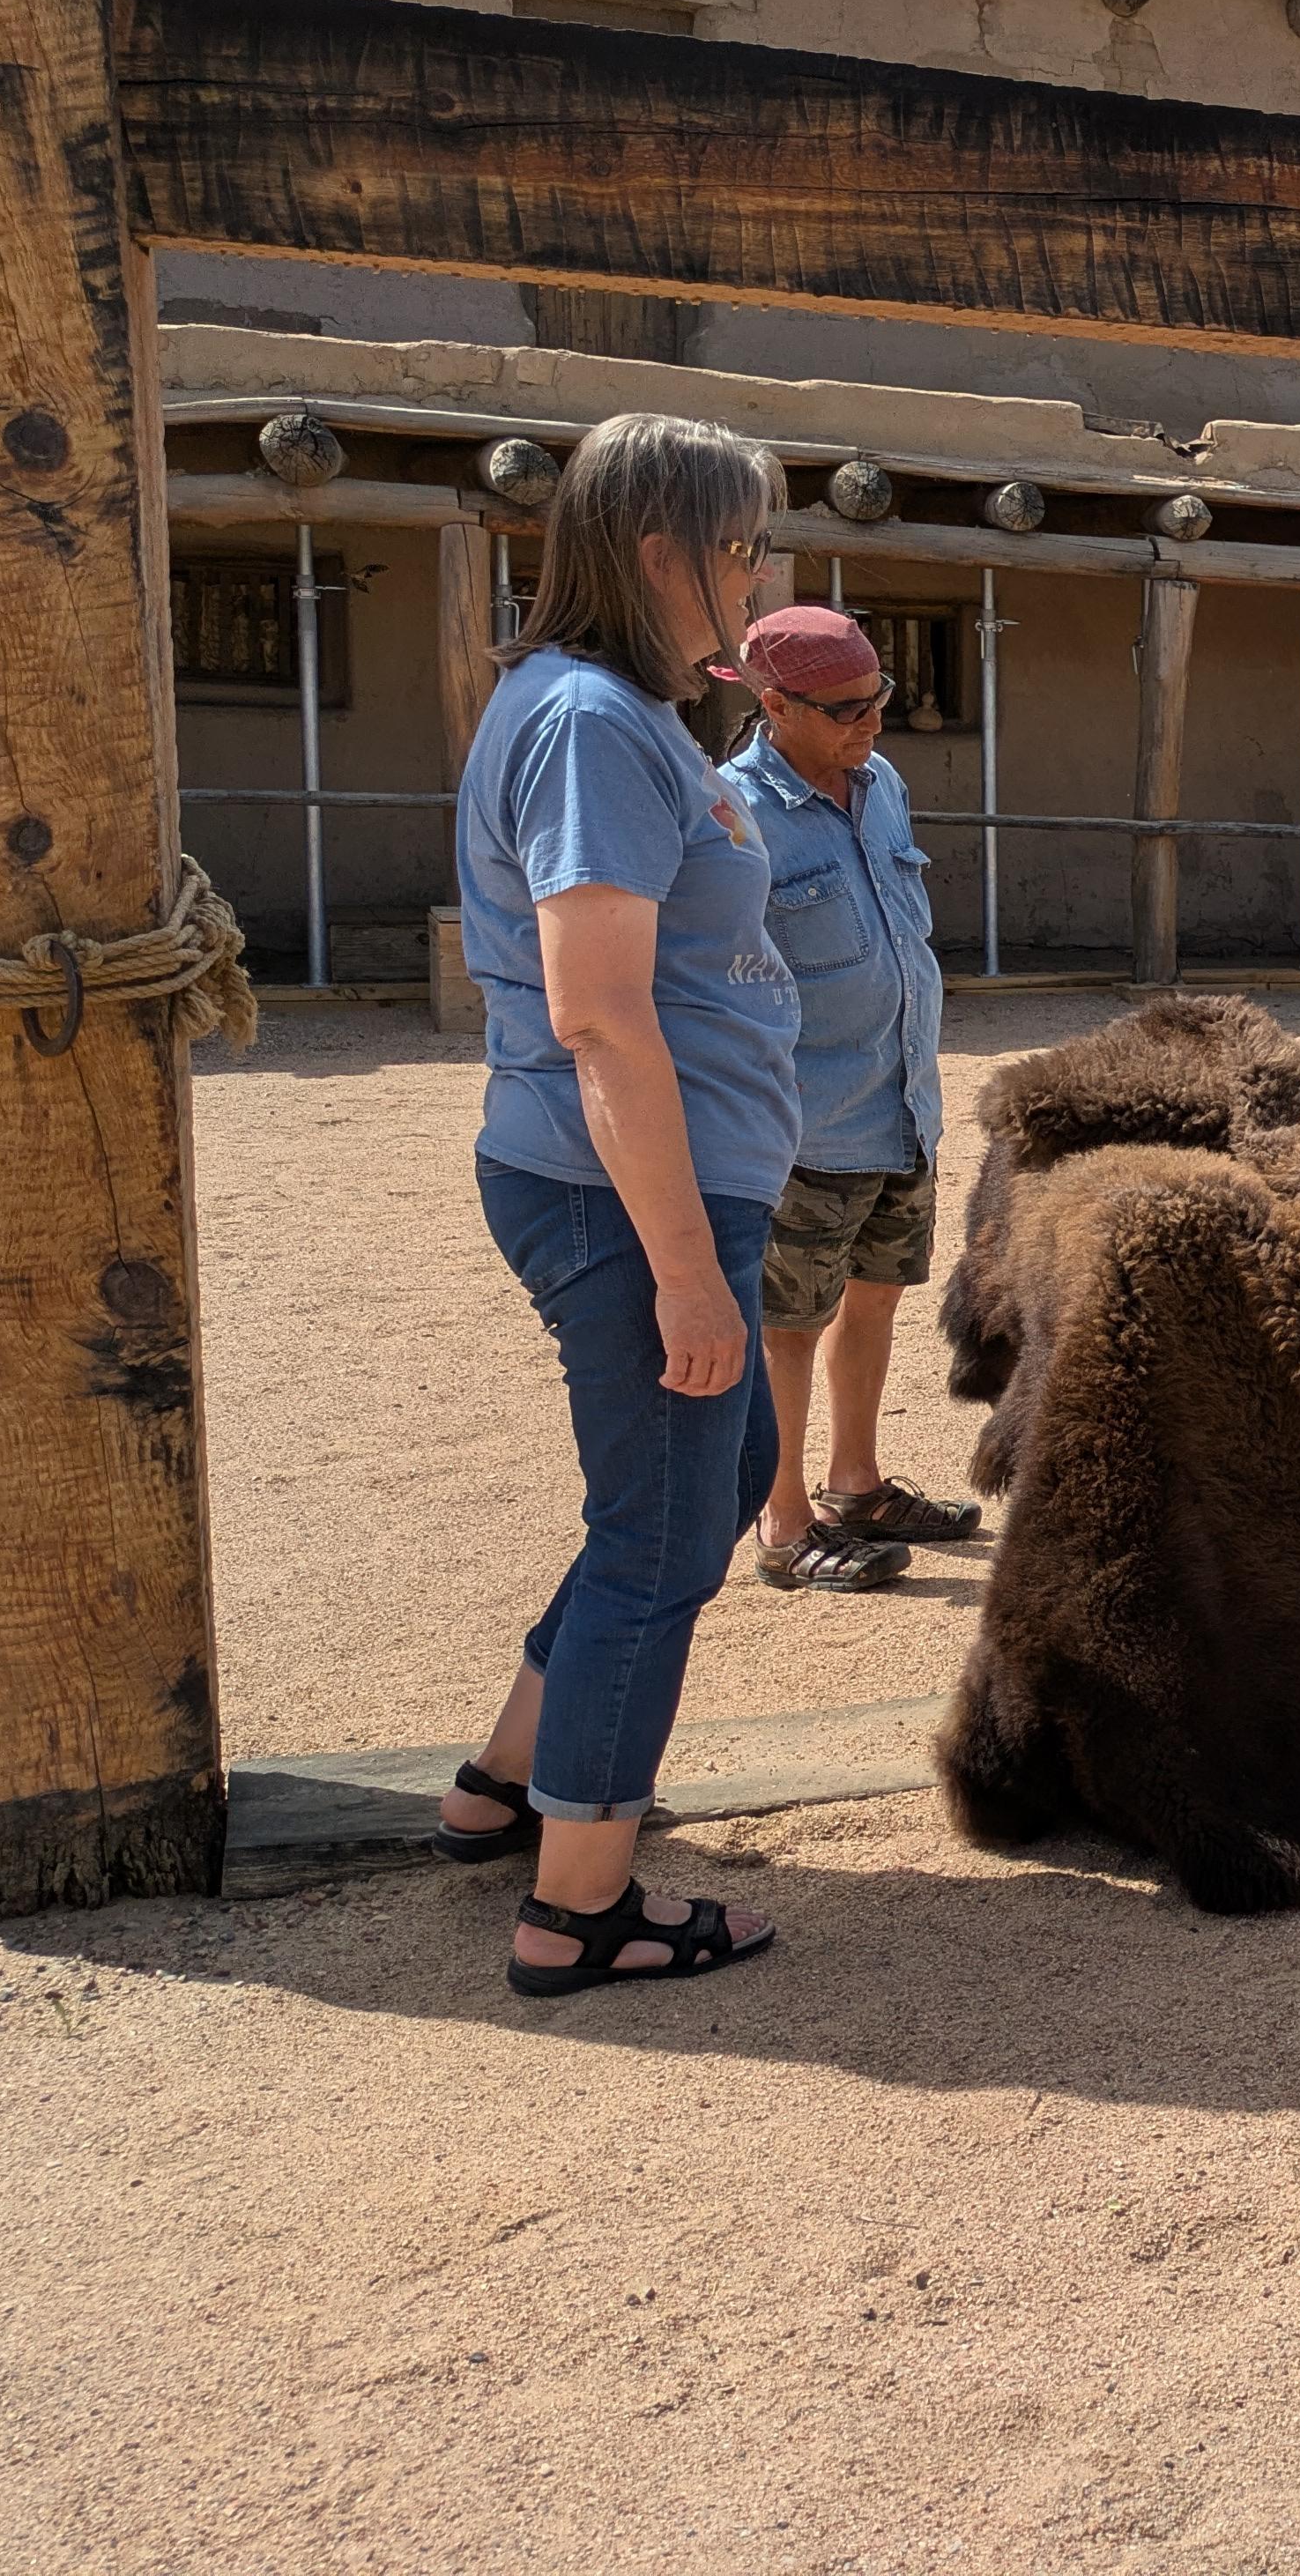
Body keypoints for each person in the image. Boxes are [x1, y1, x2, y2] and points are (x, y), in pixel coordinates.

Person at [431, 412, 800, 1995]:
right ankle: (578, 1905)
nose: (756, 578)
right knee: (660, 1539)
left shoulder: (613, 710)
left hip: (640, 1180)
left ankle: (509, 1779)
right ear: (659, 553)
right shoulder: (589, 720)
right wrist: (686, 1272)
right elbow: (599, 1014)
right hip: (627, 1192)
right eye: (740, 548)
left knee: (716, 1482)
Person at [717, 603, 974, 1592]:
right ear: (775, 704)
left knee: (876, 1298)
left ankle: (854, 1486)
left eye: (880, 697)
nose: (871, 720)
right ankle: (783, 1524)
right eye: (846, 707)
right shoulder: (734, 811)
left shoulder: (882, 784)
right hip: (807, 1126)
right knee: (789, 1327)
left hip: (901, 1107)